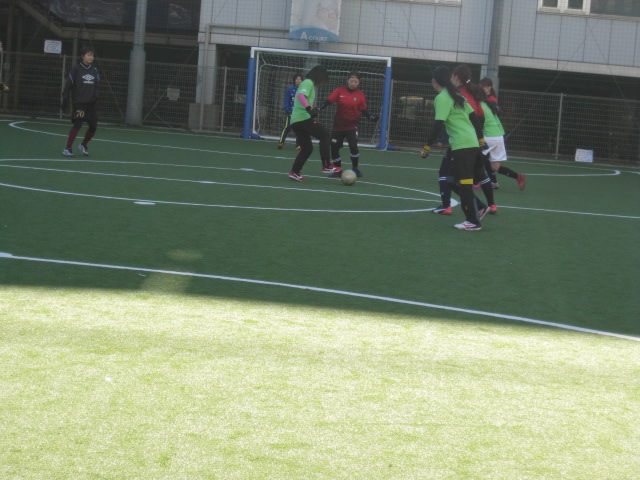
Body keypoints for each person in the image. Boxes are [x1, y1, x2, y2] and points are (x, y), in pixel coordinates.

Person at [420, 66, 491, 231]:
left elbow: (438, 125)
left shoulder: (442, 98)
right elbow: (474, 118)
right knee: (450, 179)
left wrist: (426, 147)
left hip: (463, 145)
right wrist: (480, 139)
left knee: (464, 183)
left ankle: (472, 221)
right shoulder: (457, 96)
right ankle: (480, 207)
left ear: (434, 81)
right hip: (470, 143)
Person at [318, 71, 378, 178]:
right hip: (338, 126)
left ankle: (355, 169)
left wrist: (371, 117)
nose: (353, 83)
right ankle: (338, 171)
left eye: (356, 82)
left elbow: (363, 109)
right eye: (351, 81)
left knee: (353, 146)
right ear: (347, 80)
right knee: (334, 148)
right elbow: (328, 101)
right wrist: (319, 108)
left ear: (358, 83)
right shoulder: (339, 90)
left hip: (352, 125)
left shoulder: (360, 94)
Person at [288, 65, 341, 182]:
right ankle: (326, 165)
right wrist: (308, 109)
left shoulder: (308, 84)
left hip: (296, 121)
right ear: (319, 76)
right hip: (302, 119)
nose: (322, 82)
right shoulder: (308, 82)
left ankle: (294, 172)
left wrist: (313, 109)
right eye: (323, 79)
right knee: (325, 135)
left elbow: (304, 100)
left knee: (307, 149)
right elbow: (300, 96)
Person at [479, 78, 526, 192]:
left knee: (477, 158)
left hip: (489, 135)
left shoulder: (485, 102)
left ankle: (476, 182)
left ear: (489, 87)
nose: (481, 89)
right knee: (495, 166)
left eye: (483, 87)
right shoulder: (489, 101)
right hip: (498, 135)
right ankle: (516, 176)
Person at [60, 46, 100, 157]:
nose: (91, 57)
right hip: (79, 103)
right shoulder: (76, 69)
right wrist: (65, 99)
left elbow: (97, 86)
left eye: (92, 55)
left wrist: (96, 96)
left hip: (91, 103)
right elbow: (68, 85)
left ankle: (83, 144)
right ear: (82, 56)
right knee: (78, 124)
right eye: (89, 55)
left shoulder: (95, 70)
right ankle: (67, 148)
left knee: (93, 126)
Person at [278, 72, 303, 149]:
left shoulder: (303, 90)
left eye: (300, 79)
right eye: (297, 79)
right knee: (287, 127)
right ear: (294, 80)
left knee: (300, 129)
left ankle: (298, 145)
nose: (298, 80)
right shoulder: (290, 89)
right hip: (291, 112)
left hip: (300, 113)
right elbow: (286, 100)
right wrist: (287, 109)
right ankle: (281, 142)